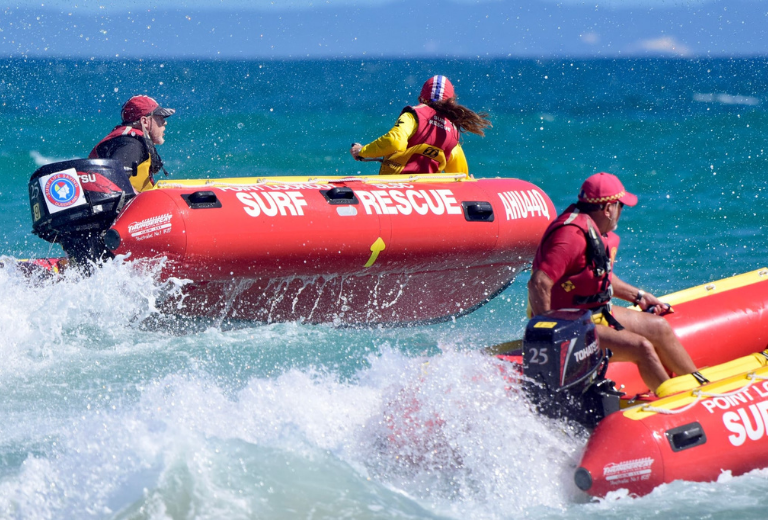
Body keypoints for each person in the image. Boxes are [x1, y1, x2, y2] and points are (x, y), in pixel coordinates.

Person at [527, 172, 700, 393]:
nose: (621, 212)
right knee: (642, 347)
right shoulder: (570, 236)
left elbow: (598, 277)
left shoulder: (592, 230)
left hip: (593, 314)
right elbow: (539, 283)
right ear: (608, 208)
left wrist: (639, 296)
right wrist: (550, 334)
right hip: (572, 328)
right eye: (620, 206)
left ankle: (699, 390)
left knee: (659, 328)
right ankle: (677, 404)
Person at [349, 75, 491, 175]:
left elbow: (394, 142)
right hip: (427, 197)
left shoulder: (413, 116)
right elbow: (459, 174)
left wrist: (362, 151)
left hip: (398, 191)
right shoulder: (452, 132)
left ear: (421, 98)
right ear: (451, 103)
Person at [90, 95, 175, 193]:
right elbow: (115, 179)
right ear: (145, 121)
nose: (164, 123)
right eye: (160, 118)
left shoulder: (128, 140)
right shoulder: (131, 144)